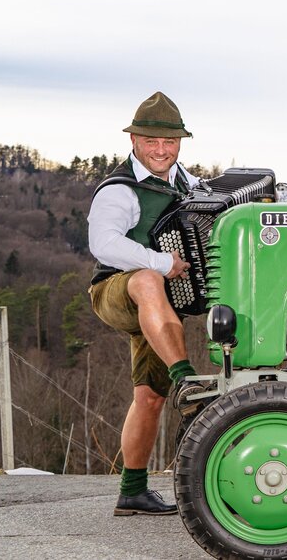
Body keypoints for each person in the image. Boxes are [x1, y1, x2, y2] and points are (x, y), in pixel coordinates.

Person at [87, 92, 208, 516]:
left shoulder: (185, 181)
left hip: (159, 307)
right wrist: (160, 262)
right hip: (116, 292)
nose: (161, 150)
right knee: (146, 279)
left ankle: (132, 491)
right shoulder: (118, 190)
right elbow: (102, 243)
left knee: (150, 396)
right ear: (135, 140)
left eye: (169, 142)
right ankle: (188, 380)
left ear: (180, 143)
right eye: (152, 141)